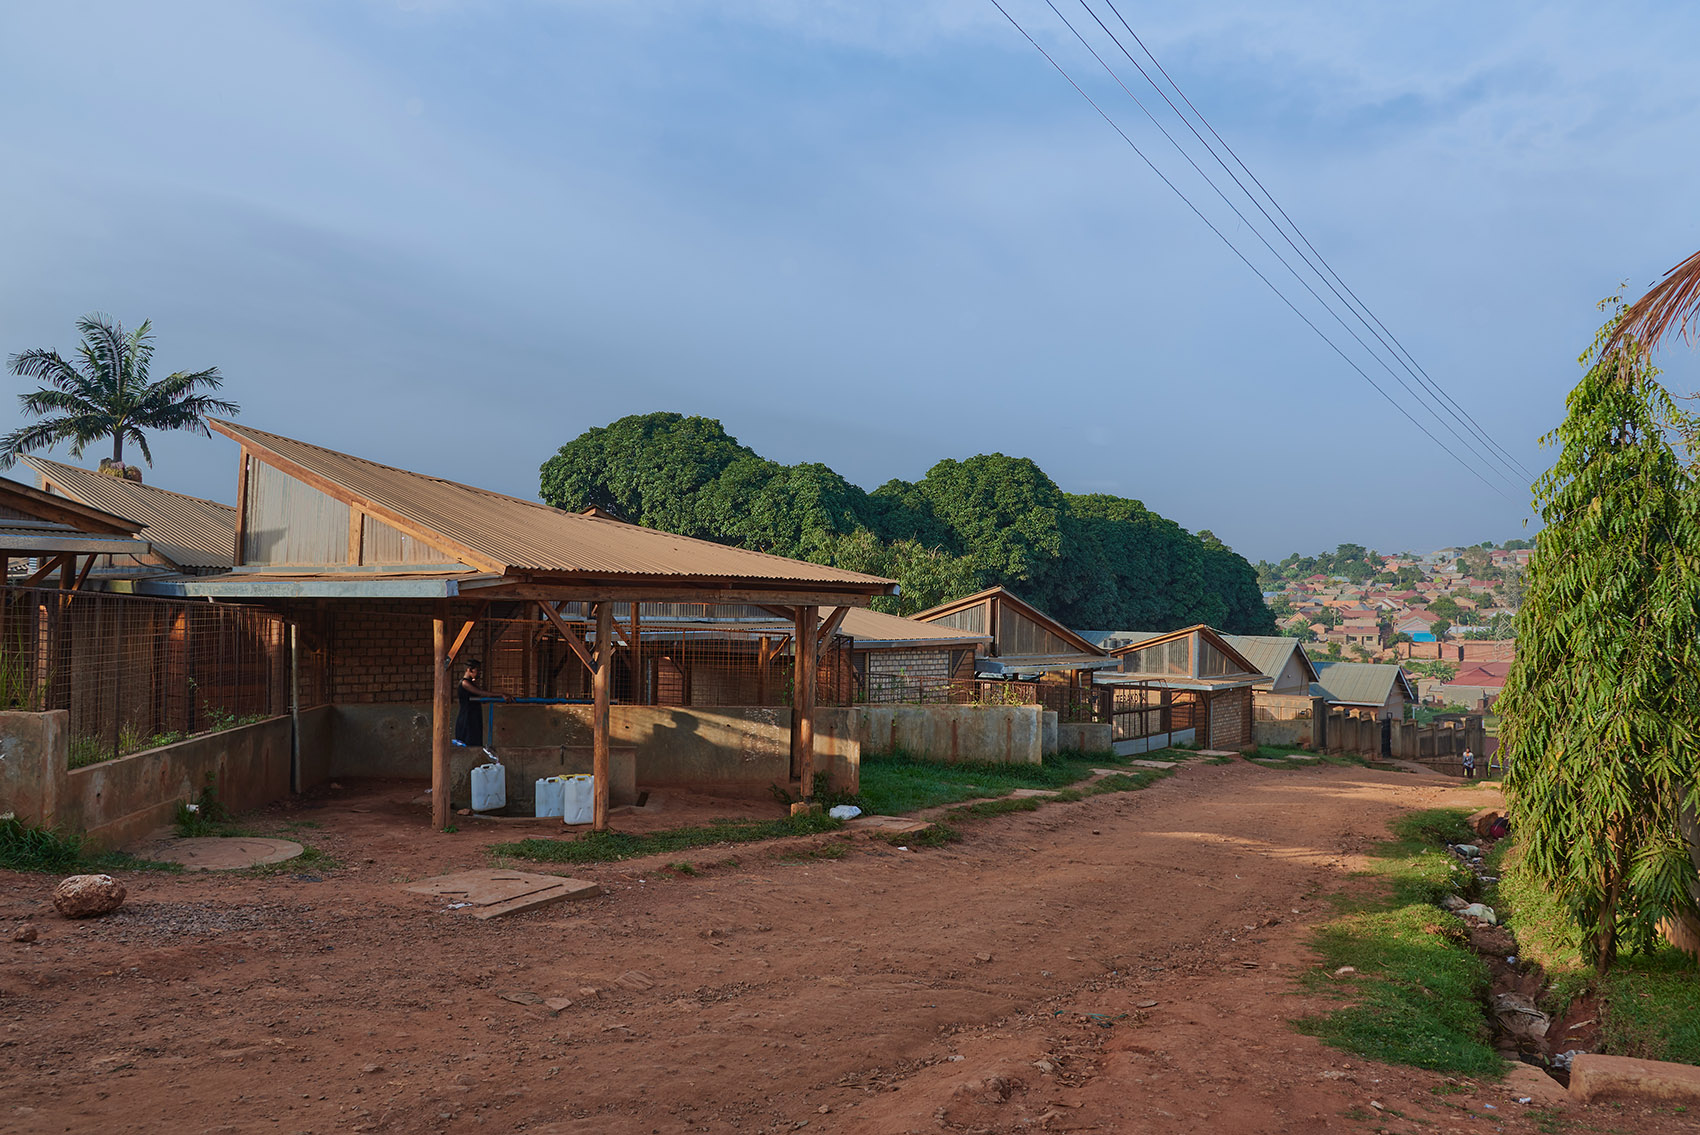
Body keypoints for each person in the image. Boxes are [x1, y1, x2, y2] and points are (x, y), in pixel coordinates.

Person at [454, 660, 509, 748]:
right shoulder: (465, 683)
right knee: (469, 742)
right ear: (470, 670)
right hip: (467, 717)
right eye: (477, 671)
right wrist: (500, 694)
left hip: (474, 716)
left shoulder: (472, 683)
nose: (479, 673)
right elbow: (481, 693)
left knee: (475, 741)